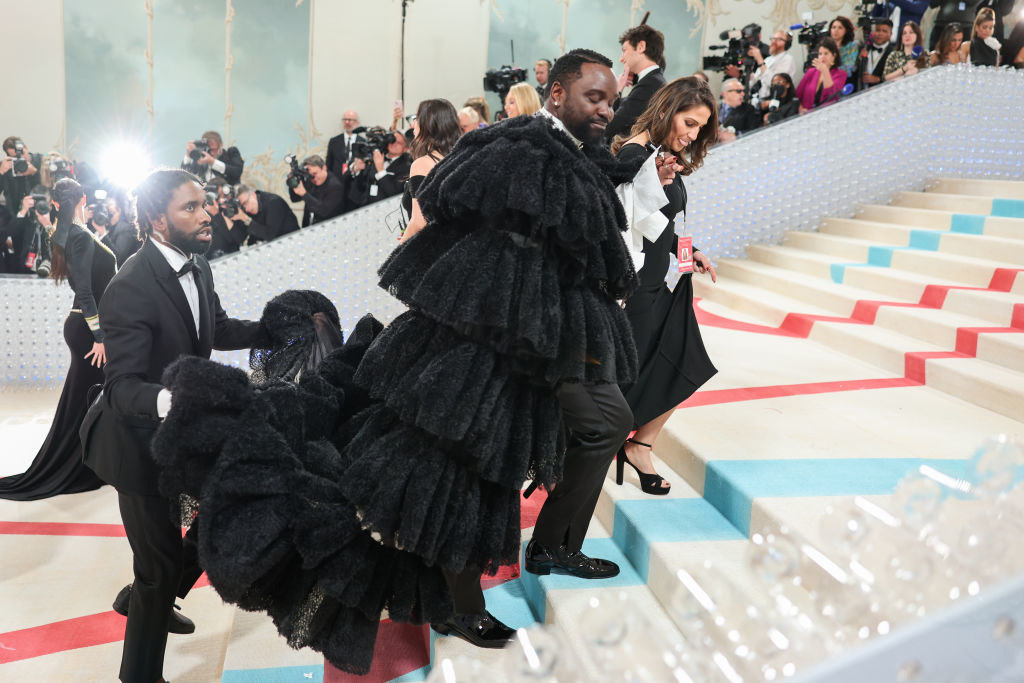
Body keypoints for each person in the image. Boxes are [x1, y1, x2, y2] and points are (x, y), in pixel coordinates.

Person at [80, 168, 271, 683]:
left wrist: (275, 327)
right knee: (158, 569)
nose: (206, 213)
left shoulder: (199, 266)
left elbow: (218, 327)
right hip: (136, 445)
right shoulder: (130, 287)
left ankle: (146, 594)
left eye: (204, 204)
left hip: (183, 434)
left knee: (223, 515)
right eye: (190, 207)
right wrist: (177, 398)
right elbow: (120, 388)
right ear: (156, 220)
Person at [610, 77, 719, 495]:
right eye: (689, 123)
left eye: (699, 129)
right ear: (666, 110)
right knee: (622, 380)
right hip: (635, 287)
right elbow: (627, 220)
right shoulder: (636, 154)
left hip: (657, 282)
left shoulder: (659, 154)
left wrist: (690, 256)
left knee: (684, 360)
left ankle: (638, 446)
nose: (692, 135)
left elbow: (667, 225)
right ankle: (587, 456)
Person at [0, 179, 114, 501]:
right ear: (83, 198)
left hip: (86, 329)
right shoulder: (78, 236)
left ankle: (85, 465)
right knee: (85, 400)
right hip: (89, 333)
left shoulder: (67, 234)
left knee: (82, 399)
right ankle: (72, 467)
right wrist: (100, 336)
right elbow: (86, 291)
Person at [398, 99, 461, 242]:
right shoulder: (460, 157)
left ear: (428, 125)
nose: (413, 124)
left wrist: (401, 246)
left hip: (431, 250)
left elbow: (419, 222)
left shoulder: (422, 164)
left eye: (417, 118)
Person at [605, 24, 667, 141]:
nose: (621, 59)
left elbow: (610, 127)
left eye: (624, 51)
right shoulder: (655, 81)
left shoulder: (649, 85)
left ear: (641, 47)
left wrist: (617, 90)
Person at [348, 131, 413, 206]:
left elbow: (394, 193)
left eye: (398, 143)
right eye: (392, 140)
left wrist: (380, 170)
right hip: (365, 206)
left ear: (405, 148)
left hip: (387, 209)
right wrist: (357, 170)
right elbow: (362, 183)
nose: (393, 144)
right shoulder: (377, 155)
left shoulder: (407, 166)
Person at [288, 154, 345, 227]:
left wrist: (305, 194)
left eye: (315, 173)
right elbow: (295, 199)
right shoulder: (310, 180)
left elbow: (324, 211)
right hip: (309, 226)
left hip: (328, 228)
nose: (313, 178)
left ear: (324, 168)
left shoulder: (335, 186)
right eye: (310, 175)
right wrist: (292, 181)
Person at [232, 184, 299, 244]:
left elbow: (269, 235)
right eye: (243, 207)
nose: (246, 209)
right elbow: (241, 238)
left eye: (246, 203)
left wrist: (246, 219)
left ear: (253, 194)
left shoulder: (273, 202)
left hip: (293, 242)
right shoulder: (248, 209)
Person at [796, 38, 848, 113]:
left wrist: (825, 70)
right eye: (820, 54)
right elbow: (797, 95)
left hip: (828, 114)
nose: (822, 57)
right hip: (806, 115)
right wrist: (800, 108)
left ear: (834, 56)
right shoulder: (811, 72)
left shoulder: (841, 74)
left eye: (826, 53)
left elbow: (831, 94)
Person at [748, 30, 798, 106]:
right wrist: (749, 73)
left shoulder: (788, 59)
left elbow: (774, 83)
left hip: (777, 103)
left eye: (778, 39)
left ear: (786, 43)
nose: (773, 42)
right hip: (760, 101)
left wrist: (760, 60)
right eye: (773, 39)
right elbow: (753, 82)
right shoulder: (767, 60)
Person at [1, 136, 42, 216]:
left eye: (21, 153)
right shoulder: (5, 166)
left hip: (40, 213)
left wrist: (35, 173)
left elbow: (49, 188)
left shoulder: (40, 161)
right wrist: (1, 173)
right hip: (14, 214)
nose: (20, 158)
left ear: (26, 147)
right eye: (15, 157)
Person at [104, 193, 142, 267]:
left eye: (111, 214)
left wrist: (103, 233)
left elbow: (118, 257)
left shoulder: (125, 228)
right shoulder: (109, 227)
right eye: (108, 214)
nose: (109, 217)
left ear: (119, 211)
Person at [325, 111, 363, 179]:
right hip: (337, 183)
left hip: (356, 183)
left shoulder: (363, 142)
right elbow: (328, 164)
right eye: (345, 120)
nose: (347, 122)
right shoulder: (334, 141)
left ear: (357, 123)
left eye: (350, 120)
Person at [862, 19, 896, 87]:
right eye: (877, 30)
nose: (880, 34)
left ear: (890, 34)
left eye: (884, 31)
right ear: (873, 32)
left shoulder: (895, 53)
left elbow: (896, 78)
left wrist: (878, 79)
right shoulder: (864, 48)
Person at [830, 16, 860, 80]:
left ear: (846, 30)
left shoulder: (852, 46)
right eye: (833, 27)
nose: (836, 30)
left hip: (844, 80)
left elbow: (848, 68)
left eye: (840, 28)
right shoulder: (826, 45)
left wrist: (827, 69)